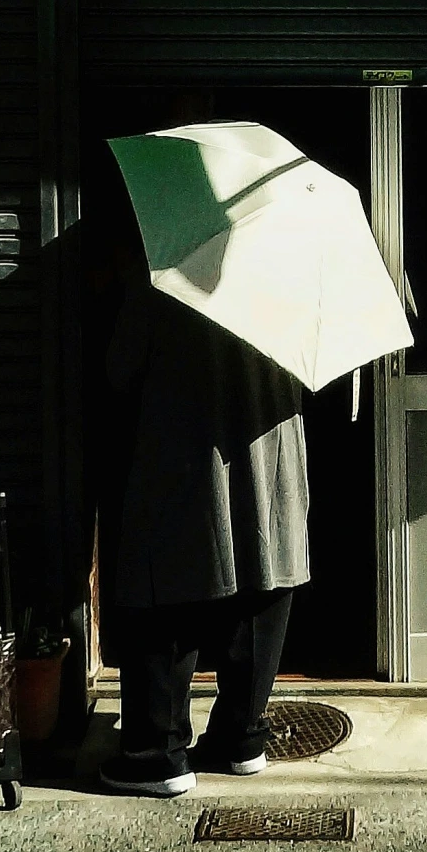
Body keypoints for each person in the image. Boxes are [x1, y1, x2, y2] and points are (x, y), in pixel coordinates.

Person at [97, 253, 310, 797]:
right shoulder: (294, 268)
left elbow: (121, 370)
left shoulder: (168, 272)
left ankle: (157, 753)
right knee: (266, 568)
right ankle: (242, 737)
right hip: (270, 446)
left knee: (163, 580)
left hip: (183, 448)